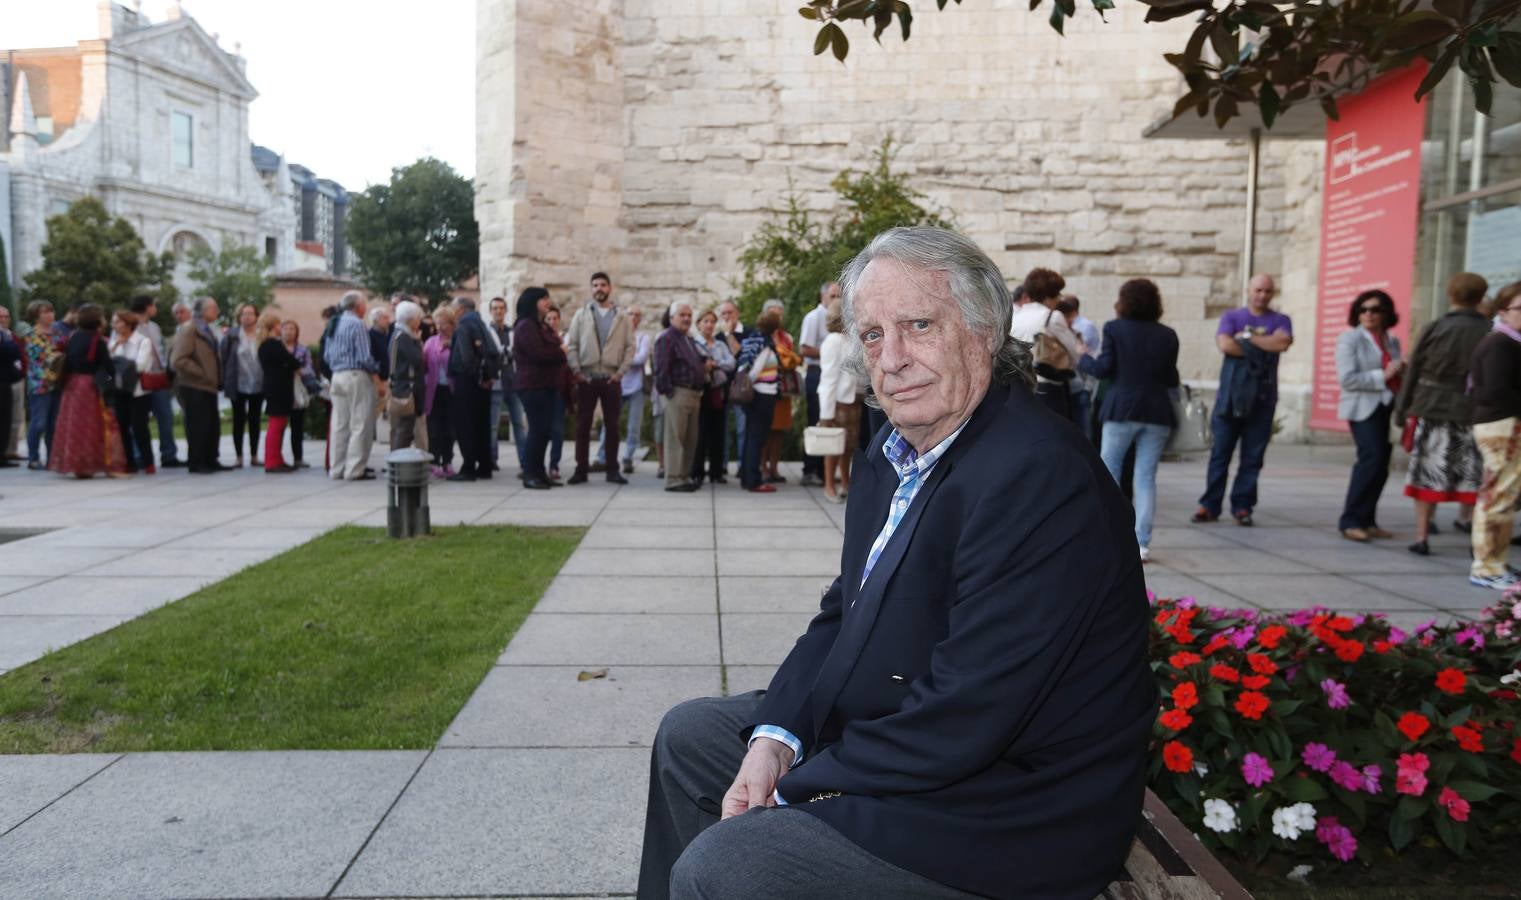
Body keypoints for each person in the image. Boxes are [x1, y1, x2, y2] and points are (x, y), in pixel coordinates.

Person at [639, 227, 1152, 900]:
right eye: (873, 335)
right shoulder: (895, 447)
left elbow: (967, 716)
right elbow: (842, 613)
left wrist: (792, 788)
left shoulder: (1037, 477)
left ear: (985, 331)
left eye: (917, 325)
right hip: (913, 734)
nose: (893, 358)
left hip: (1007, 808)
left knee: (730, 865)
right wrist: (776, 737)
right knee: (691, 739)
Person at [1078, 279, 1180, 564]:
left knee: (1109, 472)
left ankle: (1105, 535)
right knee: (1145, 477)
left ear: (1124, 300)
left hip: (1121, 409)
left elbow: (1103, 369)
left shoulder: (1114, 328)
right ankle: (1142, 544)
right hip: (1157, 413)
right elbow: (1172, 378)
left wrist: (1082, 357)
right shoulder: (1168, 335)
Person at [1394, 273, 1490, 555]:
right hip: (1472, 411)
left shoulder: (1435, 327)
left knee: (1428, 472)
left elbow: (1412, 371)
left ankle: (1422, 536)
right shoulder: (1489, 331)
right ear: (1481, 297)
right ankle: (1473, 531)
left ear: (1451, 295)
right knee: (1471, 474)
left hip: (1432, 408)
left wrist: (1402, 410)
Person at [1194, 274, 1294, 527]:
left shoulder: (1281, 320)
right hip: (1230, 398)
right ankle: (1210, 504)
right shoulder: (1232, 317)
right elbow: (1226, 345)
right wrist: (1263, 345)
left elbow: (1283, 342)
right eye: (1258, 290)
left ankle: (1242, 506)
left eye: (1268, 291)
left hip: (1263, 400)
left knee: (1252, 457)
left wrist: (1246, 340)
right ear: (1248, 290)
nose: (1262, 295)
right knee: (1220, 455)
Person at [1335, 290, 1404, 543]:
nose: (1368, 314)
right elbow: (1347, 379)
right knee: (1371, 458)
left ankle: (1368, 520)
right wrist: (1383, 375)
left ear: (1386, 313)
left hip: (1385, 405)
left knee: (1381, 462)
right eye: (1363, 309)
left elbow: (1394, 372)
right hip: (1361, 407)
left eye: (1375, 310)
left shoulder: (1391, 341)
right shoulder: (1350, 339)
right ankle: (1350, 521)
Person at [1466, 287, 1521, 589]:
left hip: (1504, 422)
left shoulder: (1508, 342)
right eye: (1520, 308)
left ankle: (1495, 562)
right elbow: (1495, 391)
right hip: (1502, 424)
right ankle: (1486, 567)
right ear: (1503, 311)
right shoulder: (1501, 343)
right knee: (1498, 496)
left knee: (1503, 495)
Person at [565, 272, 635, 485]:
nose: (599, 288)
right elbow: (573, 344)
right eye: (595, 285)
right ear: (591, 288)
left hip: (611, 379)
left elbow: (630, 347)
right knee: (583, 425)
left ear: (610, 288)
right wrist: (577, 371)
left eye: (603, 285)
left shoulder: (622, 317)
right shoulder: (581, 314)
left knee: (612, 426)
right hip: (587, 378)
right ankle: (581, 469)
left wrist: (620, 373)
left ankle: (612, 469)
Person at [49, 304, 128, 478]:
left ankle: (76, 464)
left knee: (74, 426)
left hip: (72, 385)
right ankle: (91, 464)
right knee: (93, 426)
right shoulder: (97, 340)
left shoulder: (73, 336)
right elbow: (108, 366)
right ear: (97, 320)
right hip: (89, 386)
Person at [324, 291, 385, 482]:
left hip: (337, 375)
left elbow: (326, 355)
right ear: (358, 306)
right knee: (360, 423)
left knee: (339, 424)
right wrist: (377, 371)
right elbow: (364, 356)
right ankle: (354, 469)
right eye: (364, 304)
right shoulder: (357, 324)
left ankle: (336, 468)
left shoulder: (333, 323)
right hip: (356, 375)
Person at [1009, 268, 1080, 419]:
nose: (1060, 298)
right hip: (1047, 386)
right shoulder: (1052, 317)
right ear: (1049, 296)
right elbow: (1074, 351)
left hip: (1017, 386)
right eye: (1058, 293)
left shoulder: (1014, 317)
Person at [513, 287, 566, 490]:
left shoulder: (539, 326)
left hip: (546, 384)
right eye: (543, 299)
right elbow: (538, 354)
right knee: (537, 430)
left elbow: (551, 345)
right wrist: (560, 351)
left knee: (544, 431)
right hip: (532, 385)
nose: (547, 302)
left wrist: (557, 348)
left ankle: (539, 471)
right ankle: (529, 473)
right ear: (533, 302)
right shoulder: (525, 326)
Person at [447, 297, 502, 482]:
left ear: (461, 309)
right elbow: (495, 353)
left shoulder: (463, 326)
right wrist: (489, 377)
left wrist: (474, 376)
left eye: (454, 309)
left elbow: (466, 357)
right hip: (483, 384)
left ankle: (468, 466)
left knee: (466, 426)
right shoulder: (482, 325)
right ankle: (485, 465)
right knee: (482, 425)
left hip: (467, 382)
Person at [655, 300, 709, 493]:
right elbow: (661, 369)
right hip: (677, 393)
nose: (687, 318)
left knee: (690, 439)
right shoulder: (667, 338)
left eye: (689, 315)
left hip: (693, 394)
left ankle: (684, 476)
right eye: (682, 315)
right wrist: (668, 393)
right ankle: (673, 479)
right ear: (671, 318)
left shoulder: (688, 338)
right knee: (675, 438)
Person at [816, 299, 864, 504]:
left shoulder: (848, 339)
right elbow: (828, 378)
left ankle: (846, 483)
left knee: (848, 446)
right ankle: (829, 486)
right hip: (837, 403)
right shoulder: (833, 341)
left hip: (852, 401)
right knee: (833, 446)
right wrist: (825, 415)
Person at [171, 297, 225, 474]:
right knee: (198, 426)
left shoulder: (206, 329)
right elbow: (178, 360)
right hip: (194, 385)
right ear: (203, 311)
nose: (217, 311)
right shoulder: (189, 329)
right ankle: (197, 462)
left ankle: (210, 459)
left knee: (211, 425)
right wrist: (201, 373)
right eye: (214, 308)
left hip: (208, 385)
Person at [128, 295, 182, 468]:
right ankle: (139, 456)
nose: (156, 309)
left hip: (158, 377)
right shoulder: (129, 325)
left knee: (165, 416)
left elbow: (159, 350)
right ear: (147, 307)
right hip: (139, 378)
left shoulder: (154, 327)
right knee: (138, 419)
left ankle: (168, 454)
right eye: (154, 306)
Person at [597, 305, 651, 475]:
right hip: (616, 383)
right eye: (630, 314)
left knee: (633, 425)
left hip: (636, 387)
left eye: (637, 315)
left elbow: (642, 358)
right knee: (609, 422)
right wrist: (627, 359)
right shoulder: (616, 336)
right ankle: (602, 456)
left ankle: (628, 456)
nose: (633, 317)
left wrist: (623, 359)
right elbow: (608, 356)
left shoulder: (644, 337)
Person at [735, 309, 783, 493]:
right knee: (757, 438)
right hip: (761, 396)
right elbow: (753, 372)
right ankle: (754, 480)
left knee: (750, 437)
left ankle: (748, 477)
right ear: (775, 327)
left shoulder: (752, 340)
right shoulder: (764, 344)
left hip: (754, 397)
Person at [797, 282, 838, 487]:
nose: (836, 300)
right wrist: (832, 351)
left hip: (833, 373)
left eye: (839, 295)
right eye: (833, 295)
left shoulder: (840, 316)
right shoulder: (814, 317)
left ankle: (824, 471)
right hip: (816, 372)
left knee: (830, 422)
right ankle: (810, 469)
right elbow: (804, 349)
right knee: (816, 420)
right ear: (823, 296)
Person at [691, 308, 737, 486]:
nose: (709, 325)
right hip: (702, 391)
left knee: (718, 431)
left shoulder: (720, 344)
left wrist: (715, 364)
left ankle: (716, 471)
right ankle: (697, 471)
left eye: (712, 321)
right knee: (700, 432)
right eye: (706, 321)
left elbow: (731, 363)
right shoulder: (694, 343)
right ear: (699, 324)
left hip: (718, 390)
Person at [107, 309, 156, 474]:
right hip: (119, 390)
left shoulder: (143, 341)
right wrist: (115, 347)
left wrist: (119, 364)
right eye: (113, 322)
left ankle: (148, 461)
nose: (114, 325)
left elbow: (141, 365)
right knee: (122, 427)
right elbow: (107, 364)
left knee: (139, 427)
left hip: (138, 391)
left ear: (128, 324)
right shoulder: (113, 342)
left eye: (117, 322)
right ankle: (129, 462)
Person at [220, 302, 265, 468]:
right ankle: (239, 456)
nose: (247, 317)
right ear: (239, 317)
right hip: (237, 383)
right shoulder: (232, 336)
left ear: (256, 316)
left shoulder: (261, 335)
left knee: (255, 420)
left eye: (250, 313)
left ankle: (254, 455)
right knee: (238, 420)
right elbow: (223, 359)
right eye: (243, 314)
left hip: (258, 383)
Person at [486, 296, 528, 474]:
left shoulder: (513, 331)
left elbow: (516, 353)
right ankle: (492, 459)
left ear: (505, 310)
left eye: (501, 308)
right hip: (495, 381)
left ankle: (524, 459)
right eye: (495, 308)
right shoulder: (487, 331)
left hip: (513, 381)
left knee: (519, 423)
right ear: (491, 311)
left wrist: (504, 353)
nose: (498, 311)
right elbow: (491, 353)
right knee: (493, 425)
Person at [256, 311, 299, 473]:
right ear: (275, 326)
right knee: (277, 423)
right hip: (278, 388)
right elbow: (292, 361)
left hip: (274, 387)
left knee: (279, 423)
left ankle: (277, 458)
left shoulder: (263, 344)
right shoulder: (272, 344)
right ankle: (272, 460)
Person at [765, 299, 802, 484]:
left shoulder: (786, 337)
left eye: (780, 312)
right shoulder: (762, 335)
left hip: (784, 388)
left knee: (778, 430)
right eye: (773, 313)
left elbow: (793, 360)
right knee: (765, 430)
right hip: (767, 387)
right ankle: (762, 467)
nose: (777, 316)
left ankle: (774, 467)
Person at [22, 301, 59, 469]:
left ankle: (52, 457)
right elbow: (37, 358)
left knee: (53, 423)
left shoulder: (57, 332)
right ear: (36, 315)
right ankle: (33, 457)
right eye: (45, 312)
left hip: (57, 383)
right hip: (40, 384)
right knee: (39, 422)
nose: (50, 315)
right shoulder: (31, 335)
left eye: (51, 311)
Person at [423, 305, 458, 478]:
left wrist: (450, 346)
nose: (440, 327)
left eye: (443, 323)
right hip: (434, 390)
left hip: (451, 390)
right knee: (434, 428)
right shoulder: (430, 342)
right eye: (437, 324)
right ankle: (434, 461)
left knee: (450, 429)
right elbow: (423, 364)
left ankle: (448, 461)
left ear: (452, 324)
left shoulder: (457, 342)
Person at [388, 300, 428, 453]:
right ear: (411, 319)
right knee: (405, 430)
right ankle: (398, 464)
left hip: (402, 387)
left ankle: (398, 462)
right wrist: (418, 342)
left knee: (404, 429)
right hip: (407, 389)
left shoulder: (398, 334)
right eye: (418, 318)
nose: (419, 322)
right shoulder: (404, 337)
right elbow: (417, 359)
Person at [1062, 295, 1100, 441]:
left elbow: (1083, 356)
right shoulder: (1071, 327)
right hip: (1073, 383)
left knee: (1083, 427)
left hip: (1082, 384)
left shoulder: (1084, 327)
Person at [281, 321, 317, 467]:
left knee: (297, 427)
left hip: (298, 391)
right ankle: (277, 457)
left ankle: (298, 458)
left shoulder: (303, 350)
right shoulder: (277, 348)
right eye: (286, 329)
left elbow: (309, 368)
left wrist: (300, 371)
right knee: (279, 426)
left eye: (292, 329)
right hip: (282, 390)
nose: (289, 332)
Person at [718, 299, 748, 471]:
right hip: (722, 389)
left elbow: (740, 353)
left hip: (741, 389)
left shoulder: (747, 333)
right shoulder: (717, 336)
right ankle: (721, 465)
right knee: (721, 431)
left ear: (737, 314)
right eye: (724, 313)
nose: (727, 316)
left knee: (742, 429)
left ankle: (742, 466)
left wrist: (729, 335)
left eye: (730, 312)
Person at [546, 306, 570, 481]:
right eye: (549, 318)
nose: (552, 322)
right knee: (539, 430)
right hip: (542, 388)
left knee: (557, 430)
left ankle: (554, 464)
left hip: (559, 388)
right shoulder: (540, 339)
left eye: (555, 318)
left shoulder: (565, 339)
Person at [0, 309, 20, 466]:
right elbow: (10, 351)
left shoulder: (8, 334)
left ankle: (3, 454)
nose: (4, 319)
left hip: (7, 381)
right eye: (1, 317)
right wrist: (10, 347)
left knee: (7, 420)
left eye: (6, 316)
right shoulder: (6, 336)